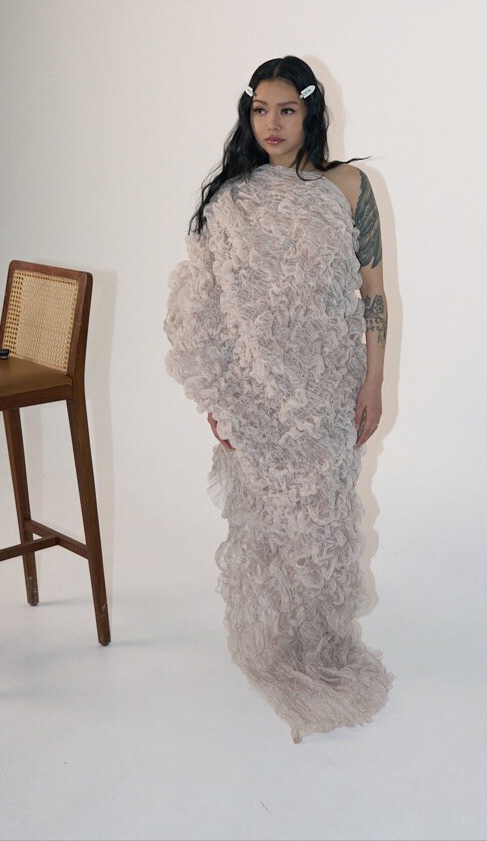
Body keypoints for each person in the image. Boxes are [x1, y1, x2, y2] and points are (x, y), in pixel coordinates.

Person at [164, 55, 392, 742]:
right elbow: (204, 302)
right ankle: (275, 647)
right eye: (260, 109)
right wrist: (218, 394)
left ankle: (320, 646)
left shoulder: (348, 186)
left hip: (327, 386)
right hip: (255, 392)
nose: (272, 123)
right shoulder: (231, 200)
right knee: (265, 521)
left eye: (287, 110)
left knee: (322, 518)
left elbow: (373, 292)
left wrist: (374, 381)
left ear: (310, 113)